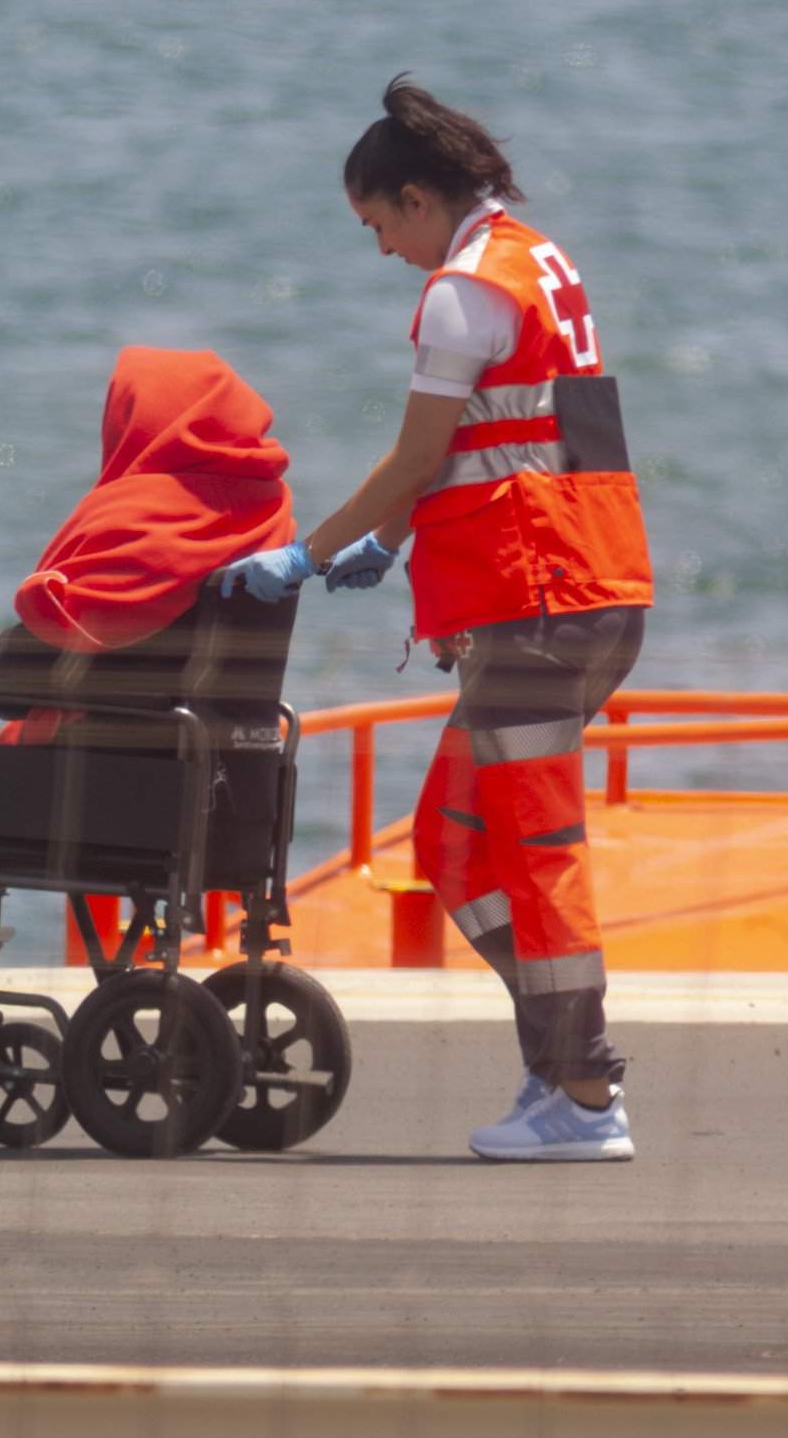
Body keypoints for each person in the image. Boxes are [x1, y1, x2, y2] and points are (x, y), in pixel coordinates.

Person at [224, 76, 652, 1162]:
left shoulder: (464, 289)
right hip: (588, 587)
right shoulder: (539, 261)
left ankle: (585, 1091)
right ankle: (560, 1054)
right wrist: (400, 537)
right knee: (457, 848)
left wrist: (307, 554)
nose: (380, 251)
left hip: (534, 606)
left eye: (376, 225)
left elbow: (420, 451)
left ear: (416, 199)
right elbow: (511, 442)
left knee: (539, 849)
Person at [0, 345, 293, 742]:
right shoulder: (269, 514)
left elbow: (15, 676)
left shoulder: (144, 519)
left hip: (106, 777)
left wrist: (0, 659)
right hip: (234, 773)